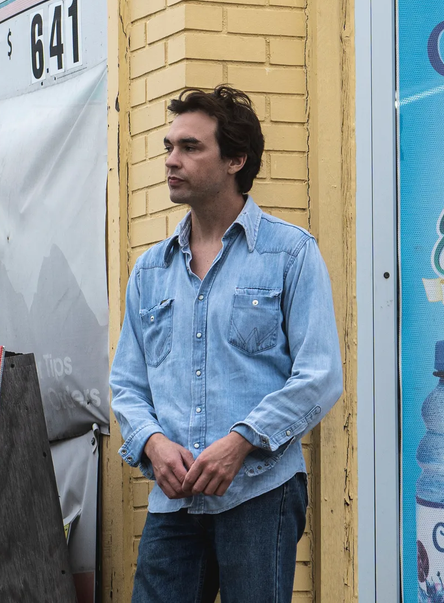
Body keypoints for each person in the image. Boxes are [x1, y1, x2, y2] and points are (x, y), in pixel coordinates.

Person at [109, 85, 344, 603]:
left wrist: (241, 443)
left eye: (190, 147)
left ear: (236, 159)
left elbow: (321, 375)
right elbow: (126, 384)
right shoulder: (150, 270)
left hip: (260, 492)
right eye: (169, 147)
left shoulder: (289, 254)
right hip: (174, 503)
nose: (172, 160)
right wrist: (151, 442)